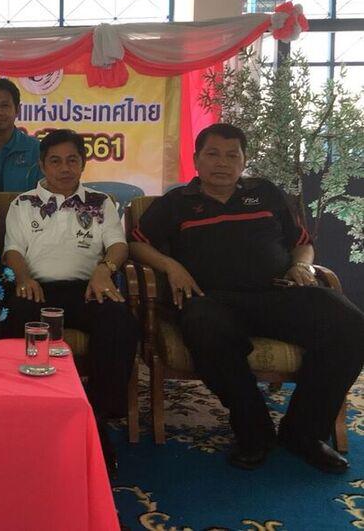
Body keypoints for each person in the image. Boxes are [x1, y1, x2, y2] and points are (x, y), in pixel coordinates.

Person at [130, 122, 364, 473]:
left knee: (350, 325)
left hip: (277, 294)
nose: (222, 163)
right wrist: (171, 266)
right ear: (196, 159)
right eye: (212, 154)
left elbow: (301, 243)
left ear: (244, 161)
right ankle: (254, 431)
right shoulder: (176, 203)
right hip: (212, 301)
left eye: (231, 155)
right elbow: (137, 244)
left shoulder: (266, 193)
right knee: (203, 327)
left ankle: (304, 432)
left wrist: (302, 266)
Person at [2, 128, 140, 473]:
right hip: (38, 290)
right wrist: (24, 277)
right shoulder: (23, 204)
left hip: (87, 288)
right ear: (41, 165)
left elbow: (118, 245)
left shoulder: (100, 202)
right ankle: (24, 411)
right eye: (55, 161)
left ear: (83, 163)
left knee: (119, 318)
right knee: (13, 315)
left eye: (72, 160)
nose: (64, 168)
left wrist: (105, 270)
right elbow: (12, 250)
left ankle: (97, 417)